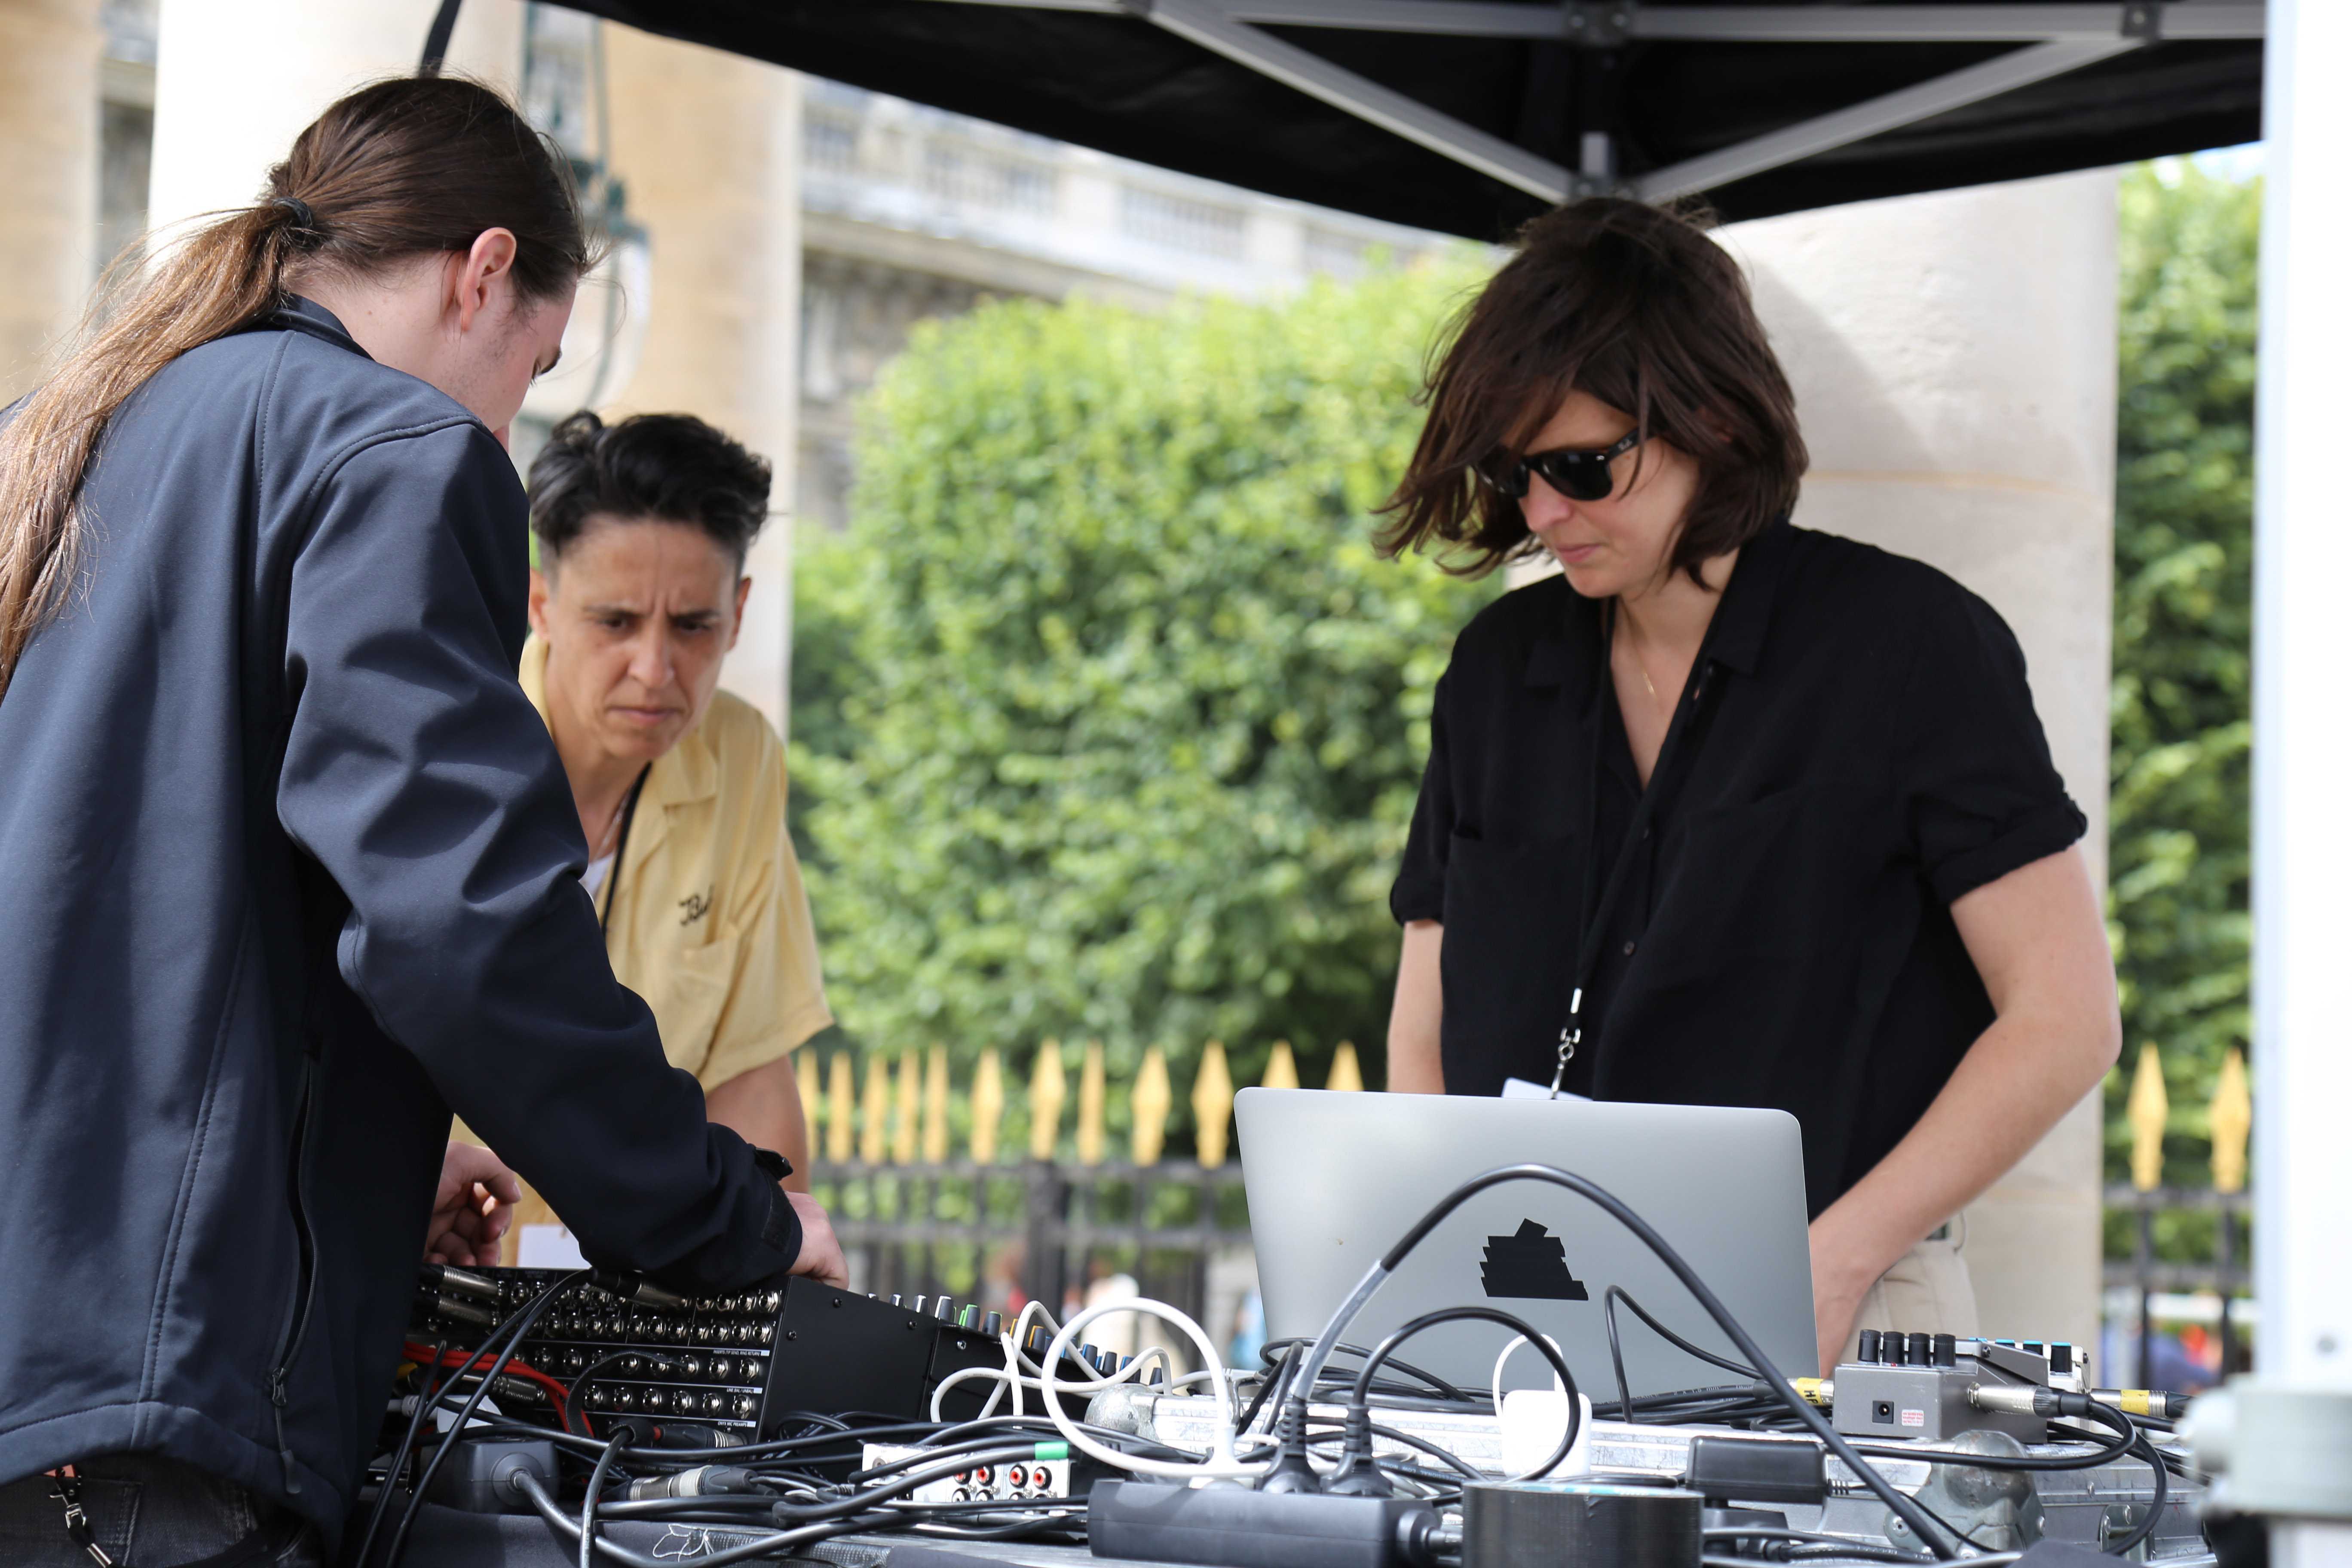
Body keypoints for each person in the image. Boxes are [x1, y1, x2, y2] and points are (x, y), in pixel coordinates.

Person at [0, 78, 843, 1566]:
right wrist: (731, 1224)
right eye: (540, 363)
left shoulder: (64, 430)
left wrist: (366, 1150)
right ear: (485, 274)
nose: (514, 415)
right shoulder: (396, 447)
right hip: (159, 1415)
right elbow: (462, 930)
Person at [1378, 198, 2121, 1376]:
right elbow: (1422, 1029)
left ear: (1712, 419)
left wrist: (1838, 1259)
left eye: (1580, 466)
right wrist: (1444, 1257)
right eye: (1515, 472)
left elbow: (2067, 1016)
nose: (1544, 512)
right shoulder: (1494, 673)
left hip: (1843, 1299)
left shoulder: (1914, 646)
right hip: (1524, 1304)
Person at [513, 410, 829, 1194]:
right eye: (615, 622)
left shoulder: (743, 754)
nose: (655, 669)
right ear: (541, 605)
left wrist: (777, 1247)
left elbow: (751, 1072)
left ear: (739, 614)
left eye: (693, 626)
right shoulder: (451, 747)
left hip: (639, 1259)